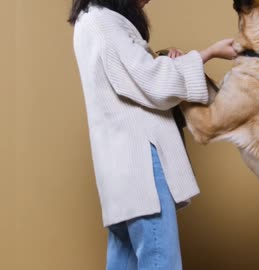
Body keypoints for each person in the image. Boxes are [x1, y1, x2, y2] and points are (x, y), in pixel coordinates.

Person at [68, 0, 237, 269]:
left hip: (120, 170)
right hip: (141, 166)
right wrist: (208, 53)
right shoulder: (105, 23)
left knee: (124, 260)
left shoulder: (90, 21)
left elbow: (131, 81)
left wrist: (161, 59)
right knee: (160, 260)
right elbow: (154, 84)